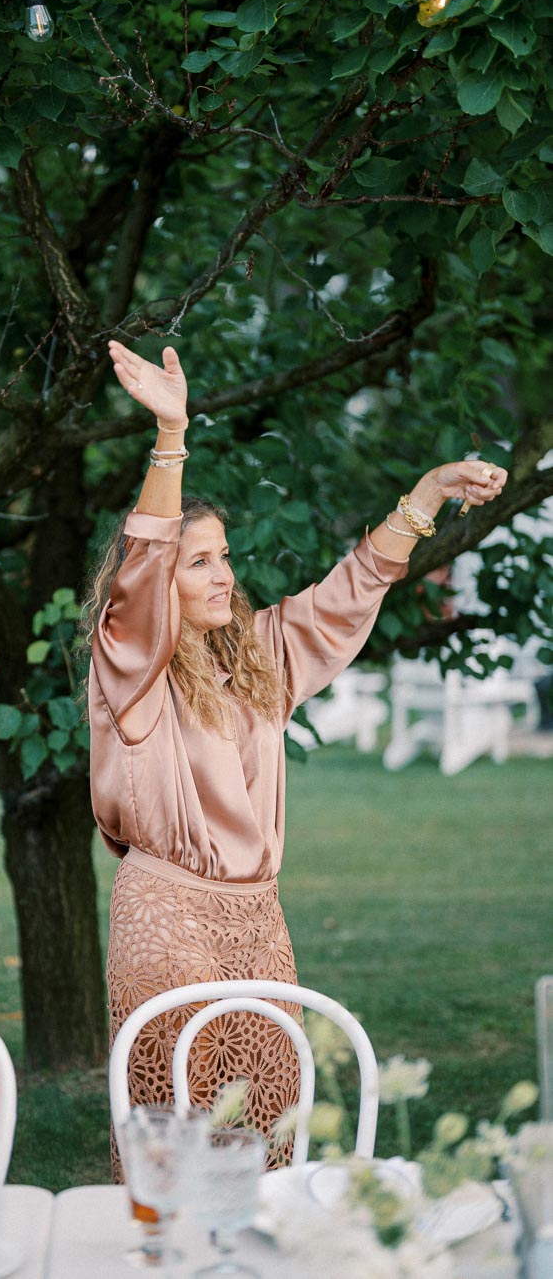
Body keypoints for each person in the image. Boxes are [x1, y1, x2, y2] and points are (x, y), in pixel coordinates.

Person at [88, 340, 507, 1168]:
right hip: (168, 916)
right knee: (178, 1139)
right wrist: (171, 436)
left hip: (259, 918)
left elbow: (350, 592)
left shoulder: (256, 658)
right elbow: (143, 569)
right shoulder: (130, 668)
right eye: (199, 562)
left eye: (224, 557)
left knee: (271, 1135)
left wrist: (425, 496)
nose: (221, 574)